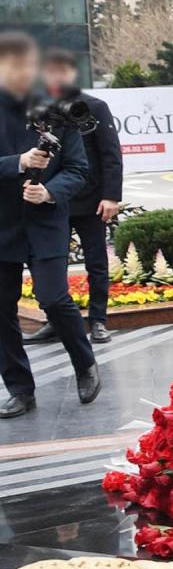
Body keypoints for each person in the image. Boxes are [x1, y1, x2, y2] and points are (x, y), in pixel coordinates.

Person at [0, 32, 99, 414]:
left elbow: (78, 169)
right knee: (1, 309)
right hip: (4, 225)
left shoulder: (58, 111)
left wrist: (50, 192)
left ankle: (85, 364)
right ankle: (20, 389)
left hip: (46, 222)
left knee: (55, 300)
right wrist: (19, 163)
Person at [23, 49, 118, 346]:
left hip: (90, 200)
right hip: (52, 200)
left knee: (96, 262)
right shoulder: (37, 109)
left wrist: (111, 196)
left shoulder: (94, 106)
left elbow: (110, 155)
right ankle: (56, 322)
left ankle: (99, 320)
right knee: (53, 263)